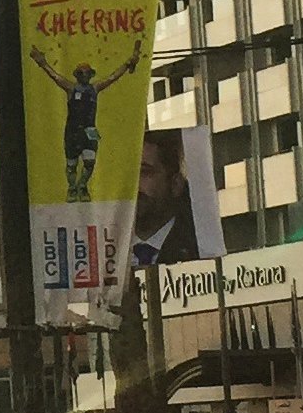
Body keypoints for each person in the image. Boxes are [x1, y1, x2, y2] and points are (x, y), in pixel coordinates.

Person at [30, 46, 142, 201]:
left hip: (89, 129)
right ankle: (72, 188)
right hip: (72, 130)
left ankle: (82, 185)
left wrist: (127, 63)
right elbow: (55, 77)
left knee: (90, 161)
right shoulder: (71, 88)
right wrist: (42, 63)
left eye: (87, 73)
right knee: (72, 164)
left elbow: (112, 77)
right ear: (77, 75)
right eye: (82, 73)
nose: (85, 75)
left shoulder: (94, 88)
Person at [131, 128, 205, 266]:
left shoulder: (201, 245)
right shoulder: (100, 253)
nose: (131, 185)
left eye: (144, 172)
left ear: (175, 184)